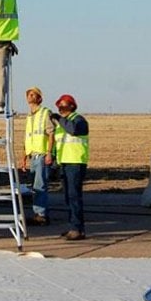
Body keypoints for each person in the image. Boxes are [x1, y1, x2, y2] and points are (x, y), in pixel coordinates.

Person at [51, 94, 89, 240]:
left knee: (74, 197)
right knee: (68, 197)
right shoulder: (61, 125)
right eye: (59, 105)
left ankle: (77, 228)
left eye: (63, 104)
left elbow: (74, 130)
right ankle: (74, 227)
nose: (60, 107)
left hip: (76, 163)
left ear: (72, 106)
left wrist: (60, 120)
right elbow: (58, 144)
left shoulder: (79, 120)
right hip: (65, 163)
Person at [21, 86, 54, 226]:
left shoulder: (45, 113)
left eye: (34, 94)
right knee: (35, 186)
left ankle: (41, 214)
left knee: (40, 185)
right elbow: (27, 138)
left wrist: (49, 153)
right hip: (32, 155)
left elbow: (51, 134)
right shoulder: (29, 117)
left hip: (41, 154)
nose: (30, 96)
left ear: (39, 98)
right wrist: (24, 157)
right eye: (29, 94)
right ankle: (38, 213)